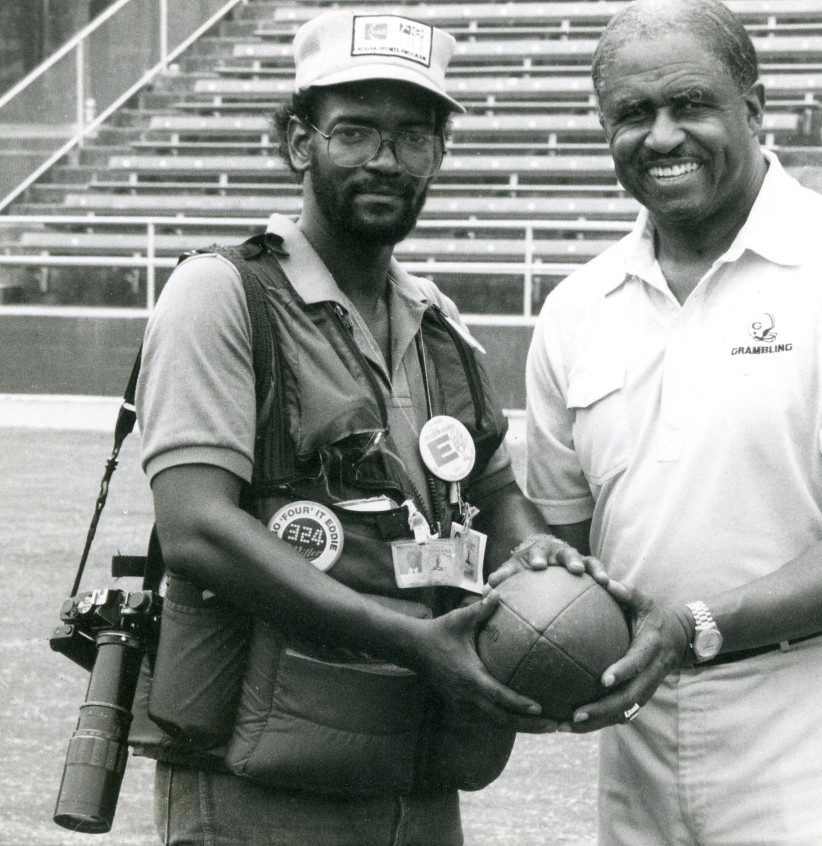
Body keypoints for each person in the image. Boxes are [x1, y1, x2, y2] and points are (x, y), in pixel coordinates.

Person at [513, 0, 822, 843]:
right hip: (641, 731)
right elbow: (563, 545)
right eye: (632, 115)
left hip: (819, 728)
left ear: (752, 111)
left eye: (690, 105)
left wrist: (695, 627)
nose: (661, 137)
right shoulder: (578, 308)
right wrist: (537, 596)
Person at [131, 10, 574, 845]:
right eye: (355, 130)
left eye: (413, 136)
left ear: (438, 155)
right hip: (260, 778)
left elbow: (494, 492)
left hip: (416, 766)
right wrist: (413, 638)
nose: (385, 159)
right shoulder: (224, 293)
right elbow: (195, 528)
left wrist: (534, 553)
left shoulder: (438, 321)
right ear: (301, 143)